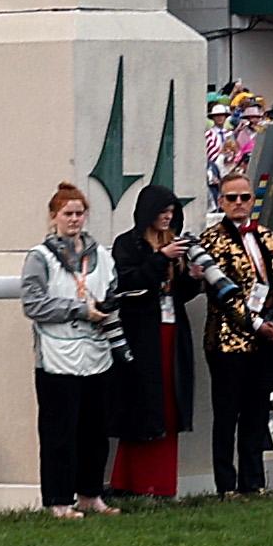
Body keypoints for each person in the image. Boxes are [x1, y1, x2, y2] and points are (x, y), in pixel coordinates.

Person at [17, 182, 121, 516]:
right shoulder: (40, 257)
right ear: (53, 217)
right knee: (59, 433)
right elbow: (34, 304)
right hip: (55, 359)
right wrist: (78, 310)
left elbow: (114, 290)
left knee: (95, 430)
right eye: (68, 214)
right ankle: (58, 500)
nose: (74, 219)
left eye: (79, 213)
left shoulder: (101, 255)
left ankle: (91, 494)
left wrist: (106, 309)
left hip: (96, 352)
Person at [194, 172, 273, 496]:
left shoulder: (267, 235)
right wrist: (255, 323)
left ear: (253, 200)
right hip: (227, 340)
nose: (239, 203)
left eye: (244, 197)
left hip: (265, 338)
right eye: (231, 198)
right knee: (227, 415)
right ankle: (226, 485)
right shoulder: (212, 240)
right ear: (220, 201)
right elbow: (223, 295)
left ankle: (253, 482)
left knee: (257, 411)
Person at [104, 184, 204, 501]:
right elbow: (128, 282)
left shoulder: (173, 243)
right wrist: (161, 259)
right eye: (162, 213)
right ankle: (130, 480)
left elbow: (178, 293)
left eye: (172, 213)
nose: (167, 218)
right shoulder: (128, 244)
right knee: (142, 403)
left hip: (171, 331)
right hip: (141, 334)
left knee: (169, 405)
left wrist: (193, 277)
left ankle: (161, 484)